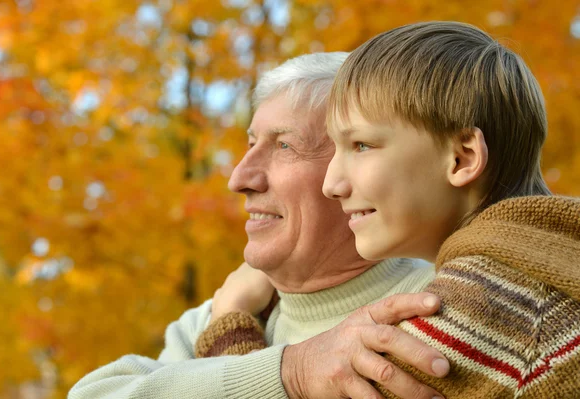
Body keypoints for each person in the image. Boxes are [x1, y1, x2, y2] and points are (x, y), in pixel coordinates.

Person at [195, 21, 580, 398]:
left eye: (361, 145)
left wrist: (230, 325)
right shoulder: (543, 265)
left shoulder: (471, 313)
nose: (333, 184)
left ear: (462, 159)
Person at [68, 52, 451, 399]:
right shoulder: (219, 312)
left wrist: (229, 346)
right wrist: (289, 370)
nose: (240, 178)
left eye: (285, 146)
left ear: (356, 166)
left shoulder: (432, 309)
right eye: (250, 144)